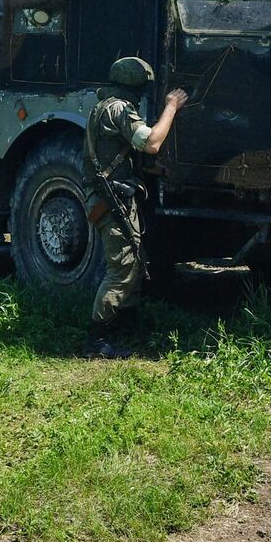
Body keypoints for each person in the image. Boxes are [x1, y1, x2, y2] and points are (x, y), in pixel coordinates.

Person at [82, 56, 187, 358]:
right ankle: (97, 339)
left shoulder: (104, 106)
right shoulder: (117, 109)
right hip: (110, 200)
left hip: (116, 197)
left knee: (134, 261)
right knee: (122, 269)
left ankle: (123, 327)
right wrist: (171, 106)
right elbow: (152, 142)